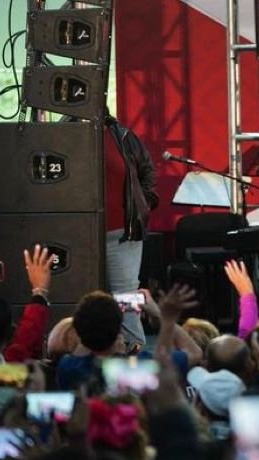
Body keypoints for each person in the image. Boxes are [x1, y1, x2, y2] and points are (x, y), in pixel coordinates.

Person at [104, 113, 159, 351]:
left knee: (126, 298)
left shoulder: (123, 135)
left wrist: (142, 205)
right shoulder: (64, 133)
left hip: (123, 234)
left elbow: (148, 173)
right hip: (79, 234)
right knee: (80, 297)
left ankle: (135, 358)